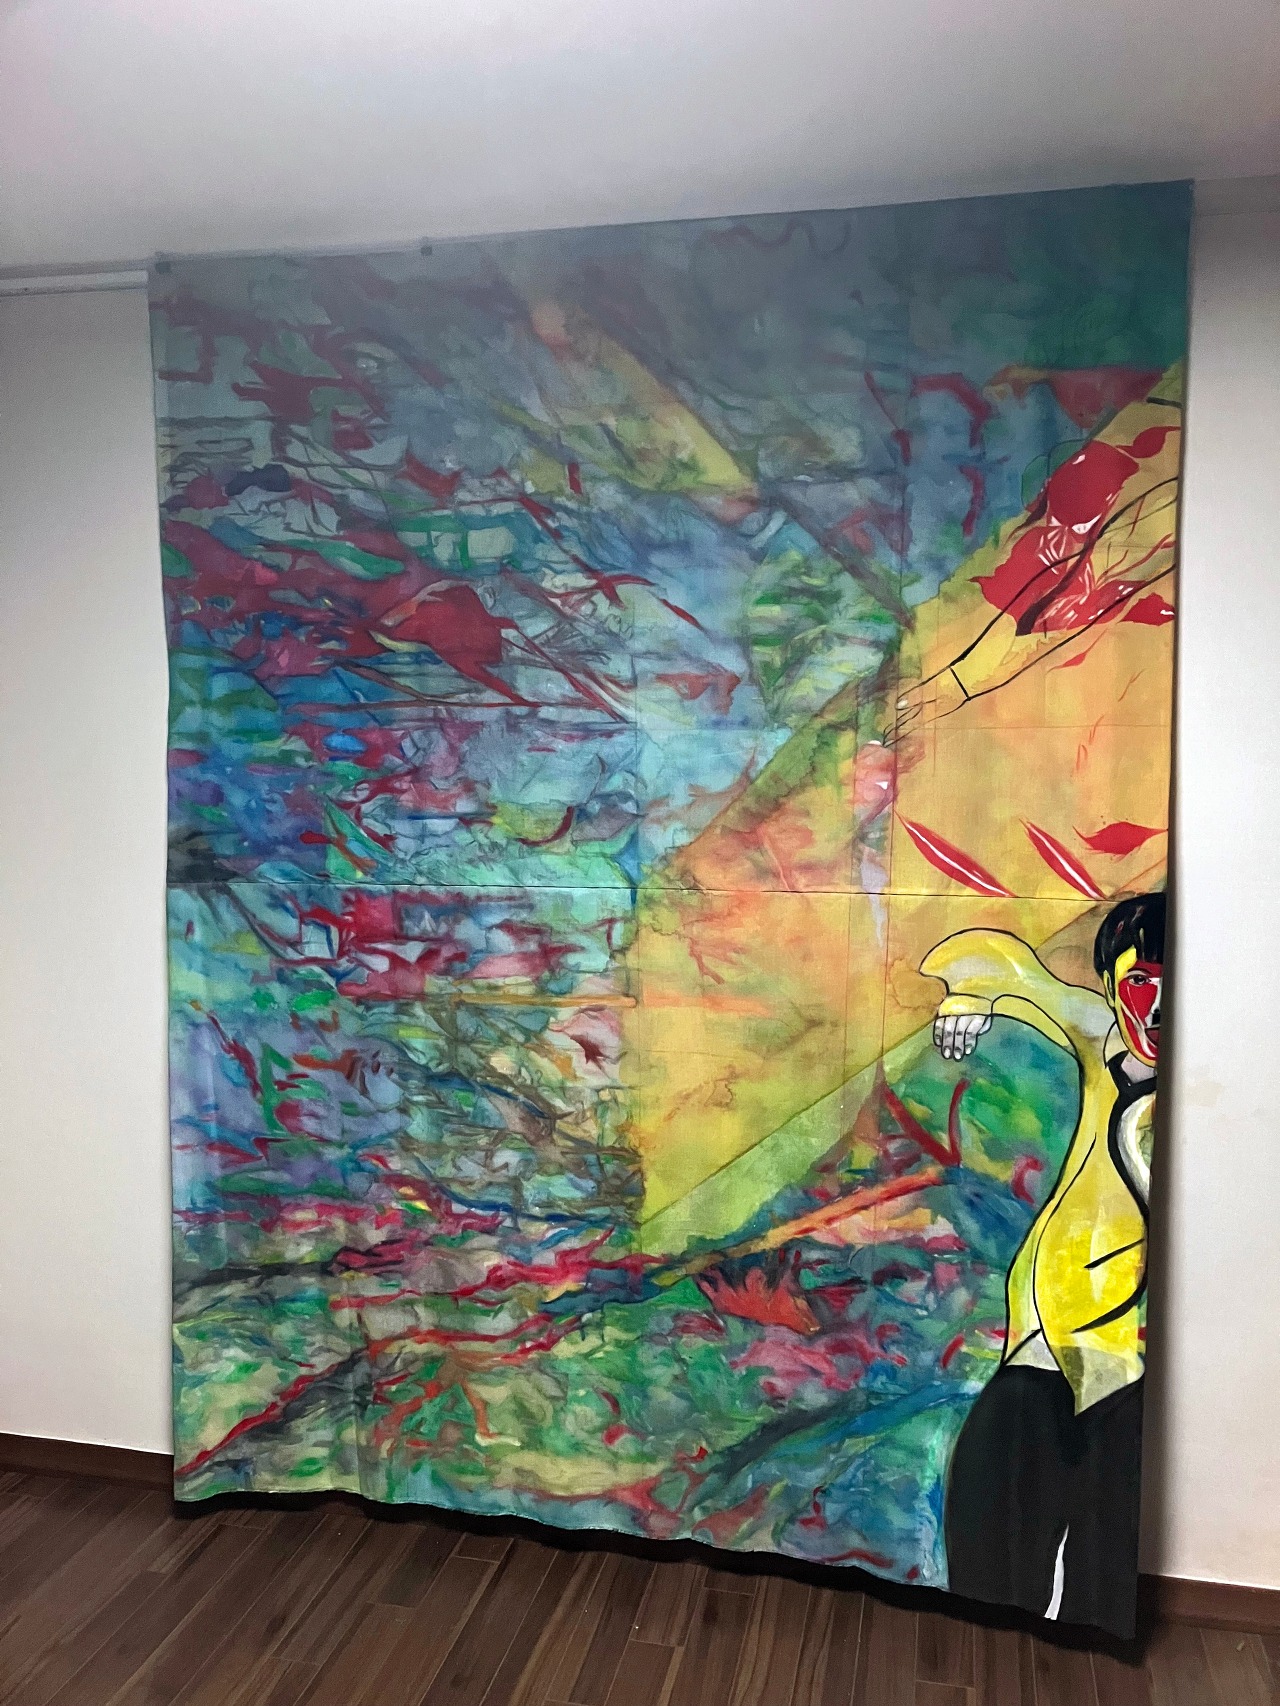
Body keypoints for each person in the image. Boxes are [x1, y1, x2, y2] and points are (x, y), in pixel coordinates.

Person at [922, 893, 1164, 1630]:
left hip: (1120, 1364)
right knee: (985, 1530)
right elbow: (1013, 972)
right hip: (1039, 1348)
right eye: (1141, 982)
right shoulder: (1104, 1045)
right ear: (1114, 984)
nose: (1158, 1008)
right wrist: (968, 996)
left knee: (1100, 1562)